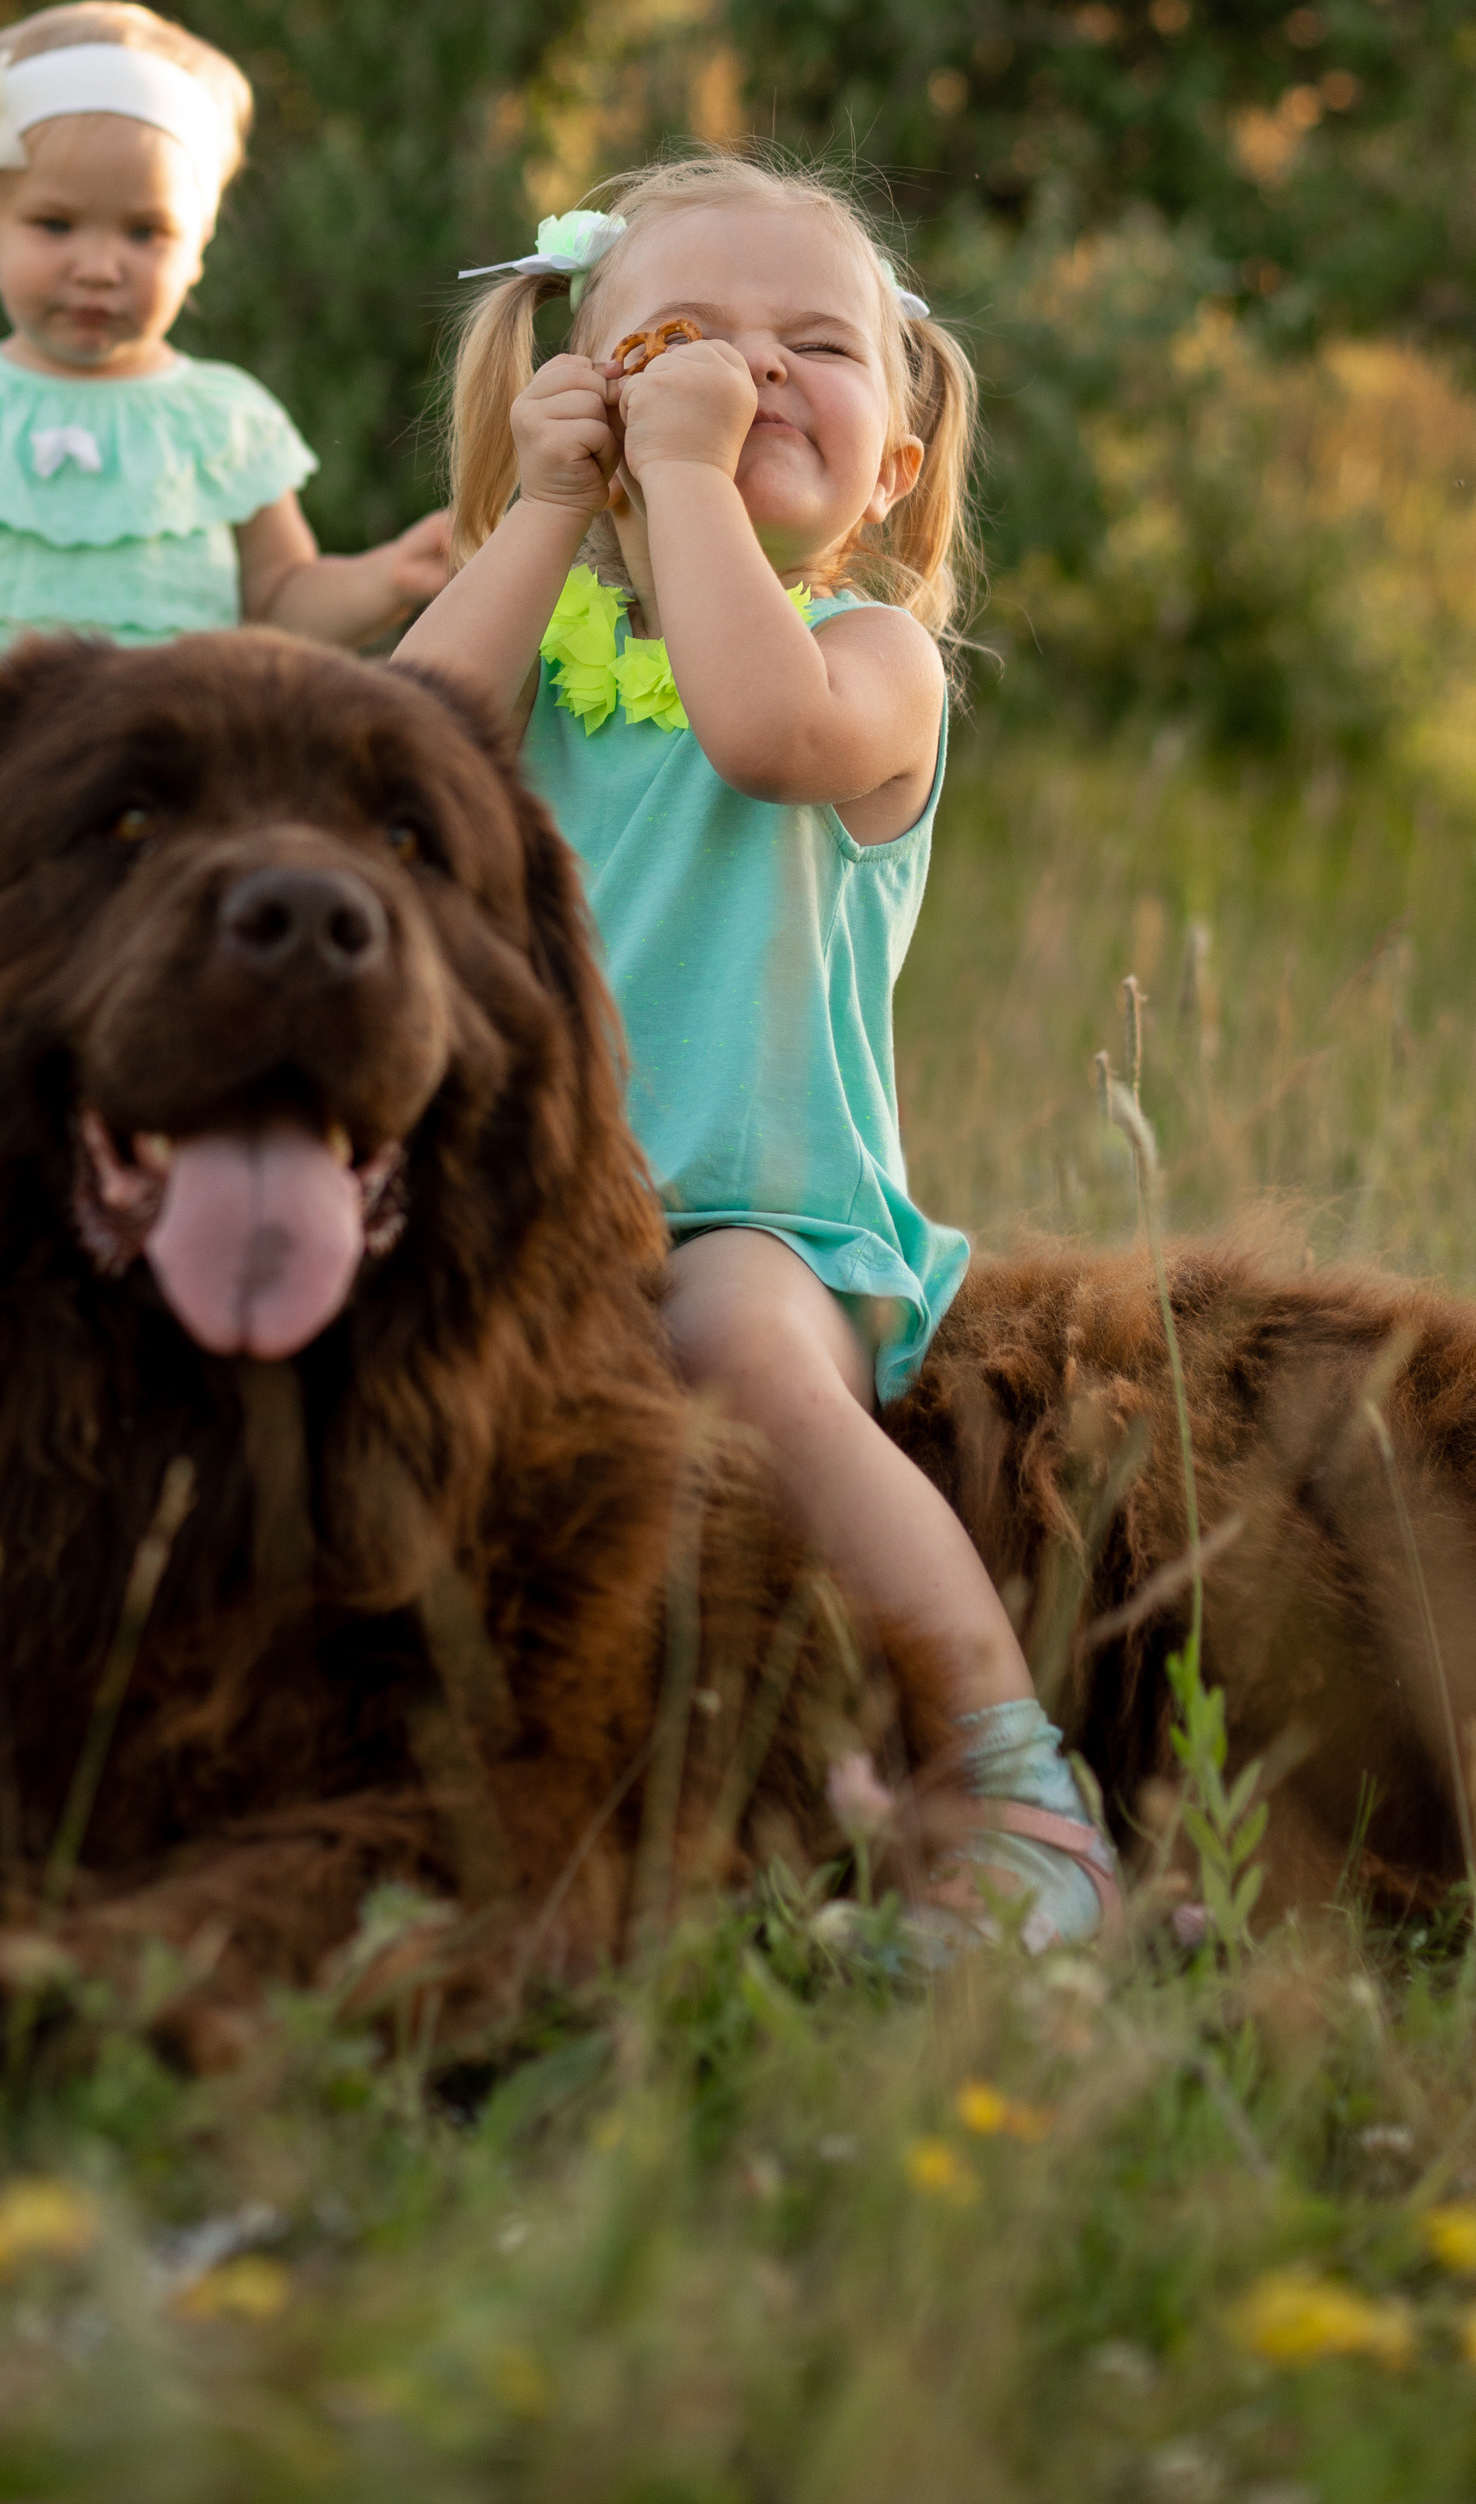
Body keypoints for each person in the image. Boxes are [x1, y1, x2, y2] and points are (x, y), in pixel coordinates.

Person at [394, 153, 1116, 1942]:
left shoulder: (871, 658)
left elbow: (757, 734)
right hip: (516, 1212)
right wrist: (550, 511)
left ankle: (1007, 1771)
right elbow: (387, 762)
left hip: (761, 1227)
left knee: (729, 1339)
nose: (752, 371)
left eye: (813, 346)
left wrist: (690, 469)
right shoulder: (542, 652)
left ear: (894, 464)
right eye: (685, 341)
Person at [0, 0, 449, 862]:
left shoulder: (219, 419)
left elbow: (280, 602)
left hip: (162, 818)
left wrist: (385, 577)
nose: (99, 267)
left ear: (198, 250)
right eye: (55, 224)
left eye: (146, 233)